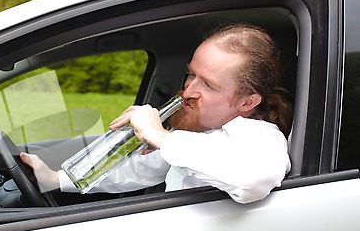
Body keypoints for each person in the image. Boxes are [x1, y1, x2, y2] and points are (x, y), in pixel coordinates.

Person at [20, 23, 293, 204]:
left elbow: (253, 180)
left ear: (248, 102)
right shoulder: (199, 130)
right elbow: (143, 169)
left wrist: (158, 135)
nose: (187, 91)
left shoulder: (261, 137)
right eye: (190, 75)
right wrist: (57, 179)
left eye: (208, 84)